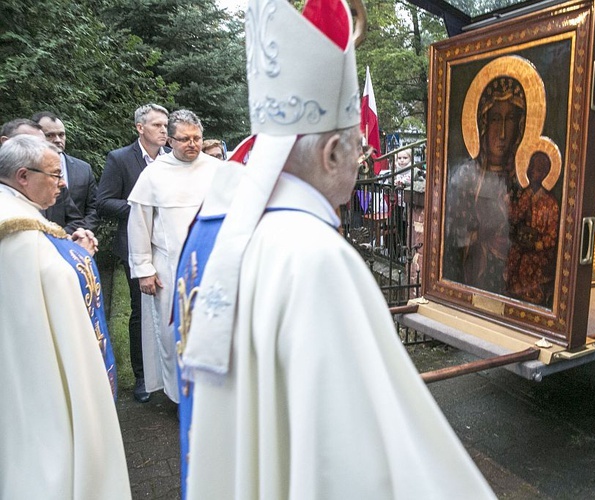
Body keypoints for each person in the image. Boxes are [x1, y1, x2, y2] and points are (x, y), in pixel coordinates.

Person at [180, 0, 496, 498]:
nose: (365, 161)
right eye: (359, 150)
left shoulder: (215, 227)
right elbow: (352, 457)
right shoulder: (314, 257)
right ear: (331, 153)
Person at [0, 135, 129, 498]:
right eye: (55, 176)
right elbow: (57, 282)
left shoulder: (16, 214)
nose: (62, 184)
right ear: (23, 176)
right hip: (37, 368)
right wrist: (82, 256)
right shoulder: (17, 232)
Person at [128, 109, 221, 404]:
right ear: (170, 140)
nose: (192, 144)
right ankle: (179, 396)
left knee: (212, 327)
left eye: (197, 138)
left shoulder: (217, 169)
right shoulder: (154, 173)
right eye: (184, 139)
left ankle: (213, 394)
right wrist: (143, 268)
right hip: (168, 267)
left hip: (212, 264)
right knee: (173, 334)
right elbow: (139, 224)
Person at [97, 103, 169, 403]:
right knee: (140, 310)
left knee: (170, 309)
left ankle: (168, 374)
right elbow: (104, 201)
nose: (164, 130)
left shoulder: (172, 160)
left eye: (166, 125)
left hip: (168, 245)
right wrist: (140, 208)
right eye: (157, 125)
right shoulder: (120, 159)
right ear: (140, 128)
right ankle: (142, 377)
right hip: (135, 245)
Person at [443, 75, 527, 294]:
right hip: (477, 278)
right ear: (482, 124)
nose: (502, 133)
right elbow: (455, 237)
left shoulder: (523, 180)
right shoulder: (467, 177)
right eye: (495, 120)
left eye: (509, 120)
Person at [507, 151, 560, 307]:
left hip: (541, 251)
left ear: (544, 173)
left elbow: (552, 236)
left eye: (535, 168)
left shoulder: (550, 203)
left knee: (526, 262)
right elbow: (515, 216)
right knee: (513, 255)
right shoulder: (526, 194)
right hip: (524, 244)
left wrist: (537, 245)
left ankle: (530, 300)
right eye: (530, 167)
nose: (530, 171)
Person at [32, 111, 99, 231]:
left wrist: (81, 233)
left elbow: (94, 207)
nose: (57, 140)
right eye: (50, 135)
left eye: (61, 135)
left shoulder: (83, 169)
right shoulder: (29, 171)